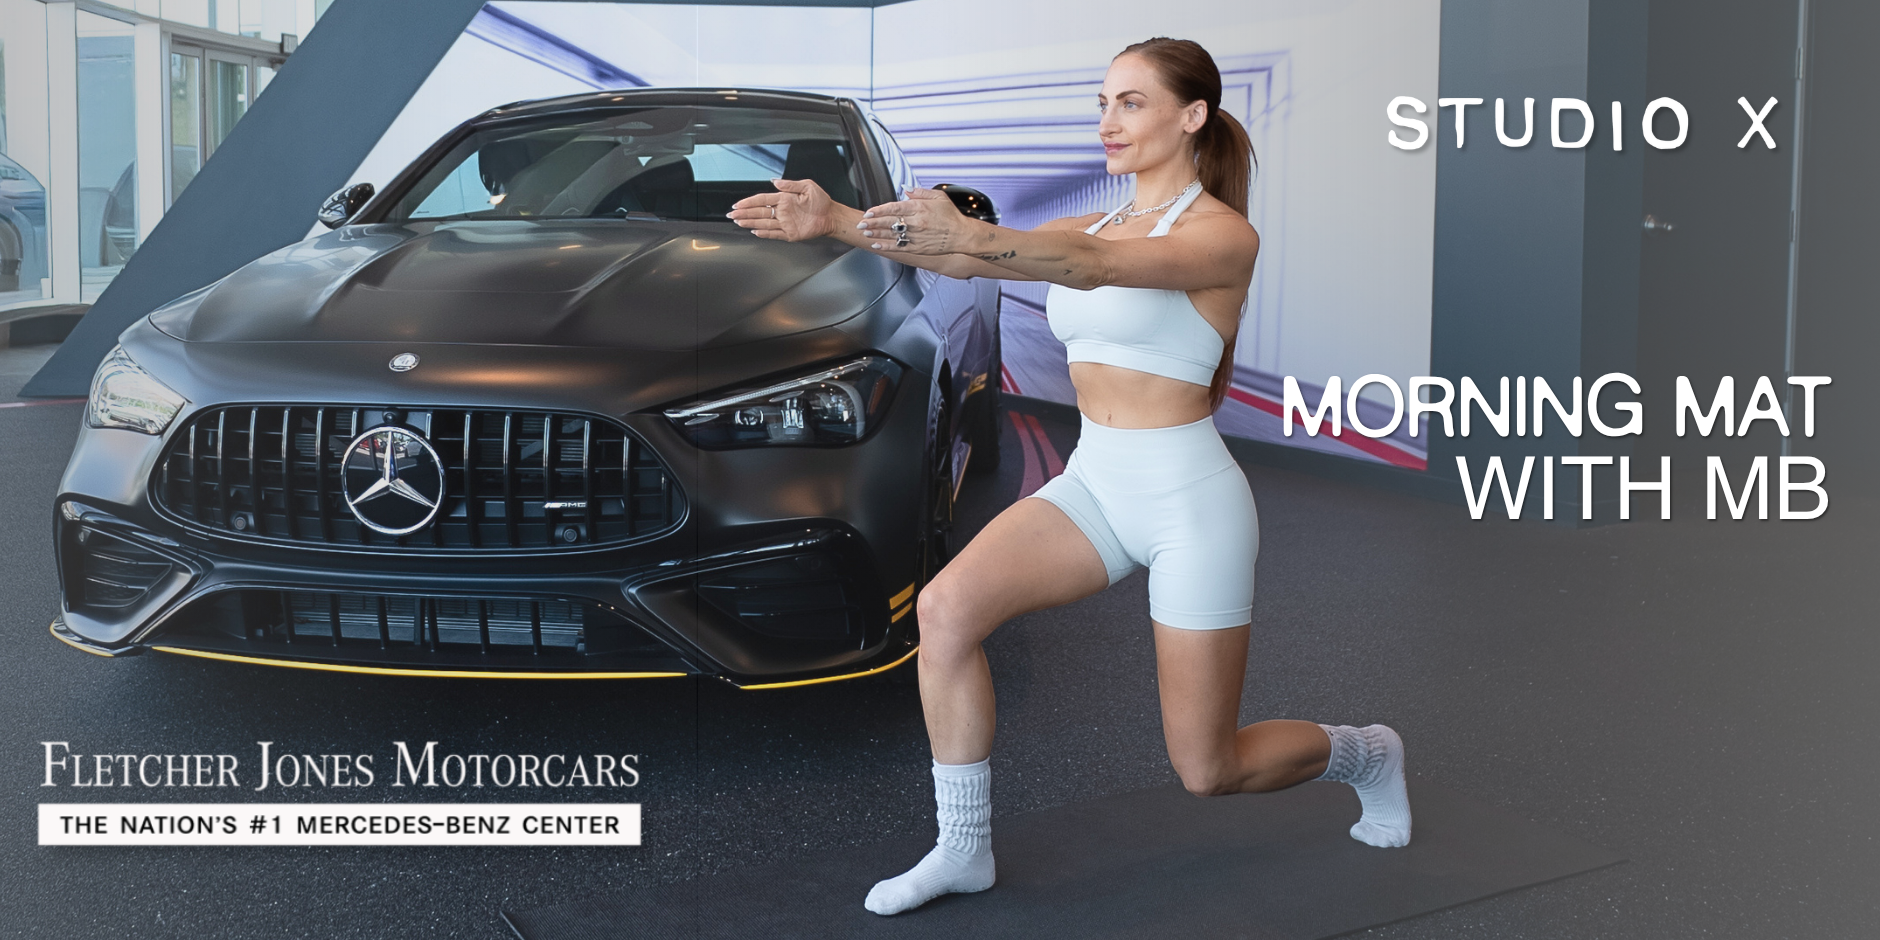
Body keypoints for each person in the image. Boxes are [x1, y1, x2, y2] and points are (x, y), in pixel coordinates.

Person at [728, 36, 1410, 916]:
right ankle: (962, 848)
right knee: (945, 610)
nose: (1108, 122)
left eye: (1131, 102)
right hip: (1095, 483)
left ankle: (1367, 753)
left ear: (1191, 115)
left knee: (1209, 767)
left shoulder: (1220, 235)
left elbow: (1090, 270)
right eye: (1101, 103)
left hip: (1189, 503)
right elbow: (969, 259)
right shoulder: (1079, 225)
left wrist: (979, 232)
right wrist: (835, 222)